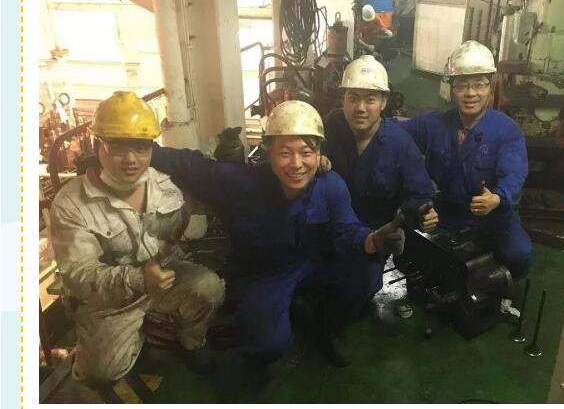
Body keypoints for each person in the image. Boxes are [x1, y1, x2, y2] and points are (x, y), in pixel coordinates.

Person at [149, 100, 407, 368]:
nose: (296, 164)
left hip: (315, 263)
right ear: (268, 151)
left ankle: (327, 325)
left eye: (306, 152)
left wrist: (374, 240)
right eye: (285, 153)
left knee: (368, 270)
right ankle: (280, 312)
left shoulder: (329, 186)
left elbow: (349, 232)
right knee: (265, 347)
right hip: (265, 275)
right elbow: (190, 166)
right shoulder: (239, 183)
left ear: (318, 153)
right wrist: (142, 149)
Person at [50, 91, 226, 385]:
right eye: (118, 147)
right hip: (110, 299)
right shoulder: (71, 203)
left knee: (209, 287)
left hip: (167, 274)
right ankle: (141, 331)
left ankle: (191, 341)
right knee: (100, 373)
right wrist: (137, 279)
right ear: (99, 145)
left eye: (141, 148)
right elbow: (78, 274)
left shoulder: (167, 184)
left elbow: (204, 200)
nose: (131, 159)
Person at [397, 40, 533, 282]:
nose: (471, 93)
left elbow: (514, 174)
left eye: (479, 84)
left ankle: (500, 288)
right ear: (451, 89)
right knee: (407, 243)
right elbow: (393, 134)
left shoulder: (506, 131)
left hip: (492, 216)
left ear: (490, 87)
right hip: (446, 211)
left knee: (518, 256)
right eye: (462, 85)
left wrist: (497, 198)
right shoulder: (433, 124)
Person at [322, 54, 438, 300]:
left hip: (373, 235)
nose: (360, 108)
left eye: (370, 99)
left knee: (357, 288)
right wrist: (317, 159)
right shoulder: (332, 125)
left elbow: (420, 194)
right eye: (353, 98)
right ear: (343, 98)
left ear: (383, 102)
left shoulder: (400, 145)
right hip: (329, 226)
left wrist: (421, 214)